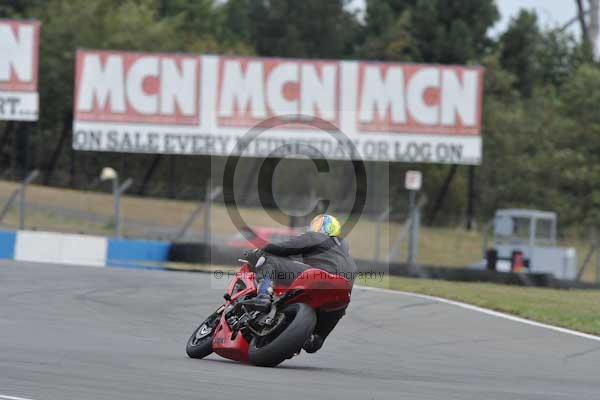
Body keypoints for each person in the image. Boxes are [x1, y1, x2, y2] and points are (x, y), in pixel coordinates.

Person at [244, 214, 357, 354]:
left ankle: (263, 295)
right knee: (323, 331)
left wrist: (259, 250)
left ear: (325, 228)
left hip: (319, 277)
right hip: (342, 294)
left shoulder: (316, 237)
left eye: (317, 225)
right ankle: (315, 338)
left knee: (270, 259)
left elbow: (284, 248)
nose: (314, 228)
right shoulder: (346, 254)